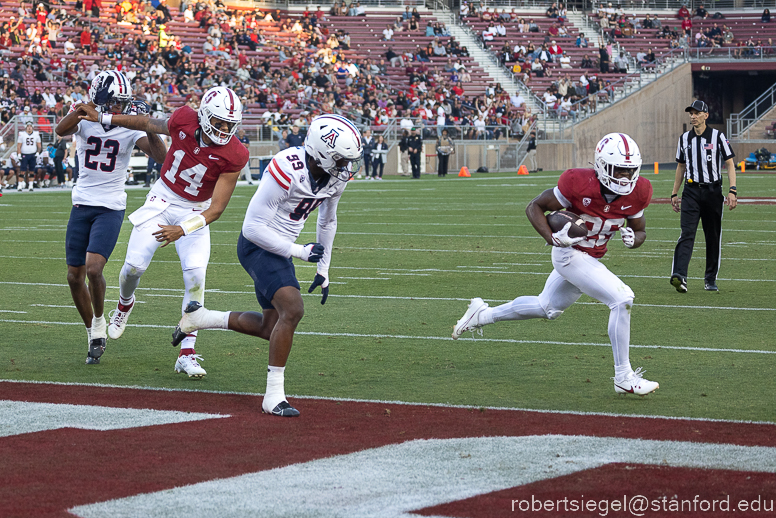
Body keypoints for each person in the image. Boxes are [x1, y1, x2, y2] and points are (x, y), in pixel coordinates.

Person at [171, 114, 363, 417]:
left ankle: (201, 319)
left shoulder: (333, 178)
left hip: (282, 248)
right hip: (258, 245)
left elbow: (328, 219)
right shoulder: (288, 167)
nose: (345, 167)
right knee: (294, 309)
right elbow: (252, 229)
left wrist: (323, 268)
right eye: (340, 159)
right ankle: (273, 395)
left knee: (269, 327)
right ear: (323, 152)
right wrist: (300, 252)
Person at [453, 133, 659, 396]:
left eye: (630, 171)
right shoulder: (578, 182)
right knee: (622, 299)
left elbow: (639, 230)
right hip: (569, 254)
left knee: (546, 307)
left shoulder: (640, 190)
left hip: (591, 257)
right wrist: (551, 238)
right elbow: (534, 206)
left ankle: (481, 315)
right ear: (602, 166)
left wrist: (634, 239)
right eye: (619, 169)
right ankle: (623, 376)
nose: (624, 177)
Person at [78, 86, 249, 377]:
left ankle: (187, 353)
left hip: (196, 210)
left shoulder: (235, 153)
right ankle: (124, 305)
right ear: (205, 115)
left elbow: (216, 209)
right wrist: (106, 118)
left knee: (196, 276)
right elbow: (145, 123)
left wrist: (181, 229)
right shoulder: (184, 118)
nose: (224, 129)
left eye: (229, 125)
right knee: (133, 267)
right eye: (219, 122)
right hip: (162, 199)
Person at [56, 70, 167, 364]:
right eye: (115, 102)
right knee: (73, 276)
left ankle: (100, 319)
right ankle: (93, 331)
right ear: (101, 99)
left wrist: (149, 126)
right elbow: (60, 130)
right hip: (81, 203)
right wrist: (82, 113)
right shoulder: (85, 117)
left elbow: (162, 158)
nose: (120, 108)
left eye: (123, 102)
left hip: (111, 206)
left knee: (94, 269)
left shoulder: (129, 126)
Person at [670, 100, 737, 293]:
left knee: (712, 236)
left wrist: (732, 190)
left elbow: (730, 163)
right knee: (687, 233)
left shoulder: (718, 136)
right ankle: (679, 276)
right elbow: (681, 166)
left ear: (706, 115)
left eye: (697, 113)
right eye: (691, 113)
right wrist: (674, 192)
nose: (693, 116)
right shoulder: (684, 139)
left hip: (713, 192)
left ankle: (710, 278)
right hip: (691, 192)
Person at [16, 122, 41, 191]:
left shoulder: (36, 134)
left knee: (32, 171)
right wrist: (19, 154)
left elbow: (39, 145)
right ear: (26, 127)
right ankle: (20, 185)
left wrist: (38, 152)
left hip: (33, 154)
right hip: (24, 154)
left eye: (30, 126)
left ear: (32, 127)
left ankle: (30, 185)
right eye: (28, 126)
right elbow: (19, 145)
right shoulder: (22, 135)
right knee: (22, 171)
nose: (29, 127)